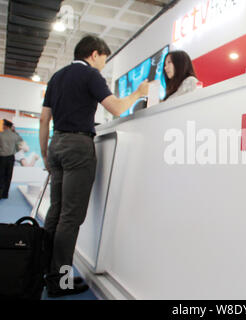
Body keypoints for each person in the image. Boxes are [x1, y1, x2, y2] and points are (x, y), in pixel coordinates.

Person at [39, 35, 149, 298]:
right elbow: (117, 108)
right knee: (70, 217)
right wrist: (138, 93)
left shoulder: (57, 77)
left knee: (56, 212)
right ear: (94, 54)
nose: (103, 64)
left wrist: (45, 154)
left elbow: (44, 120)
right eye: (104, 58)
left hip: (56, 144)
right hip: (78, 146)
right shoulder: (90, 76)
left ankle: (46, 272)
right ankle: (61, 281)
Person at [0, 119, 22, 199]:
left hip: (2, 157)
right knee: (8, 176)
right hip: (11, 157)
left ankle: (0, 193)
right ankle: (5, 194)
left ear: (5, 126)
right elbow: (19, 147)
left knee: (1, 175)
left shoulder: (1, 134)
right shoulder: (15, 136)